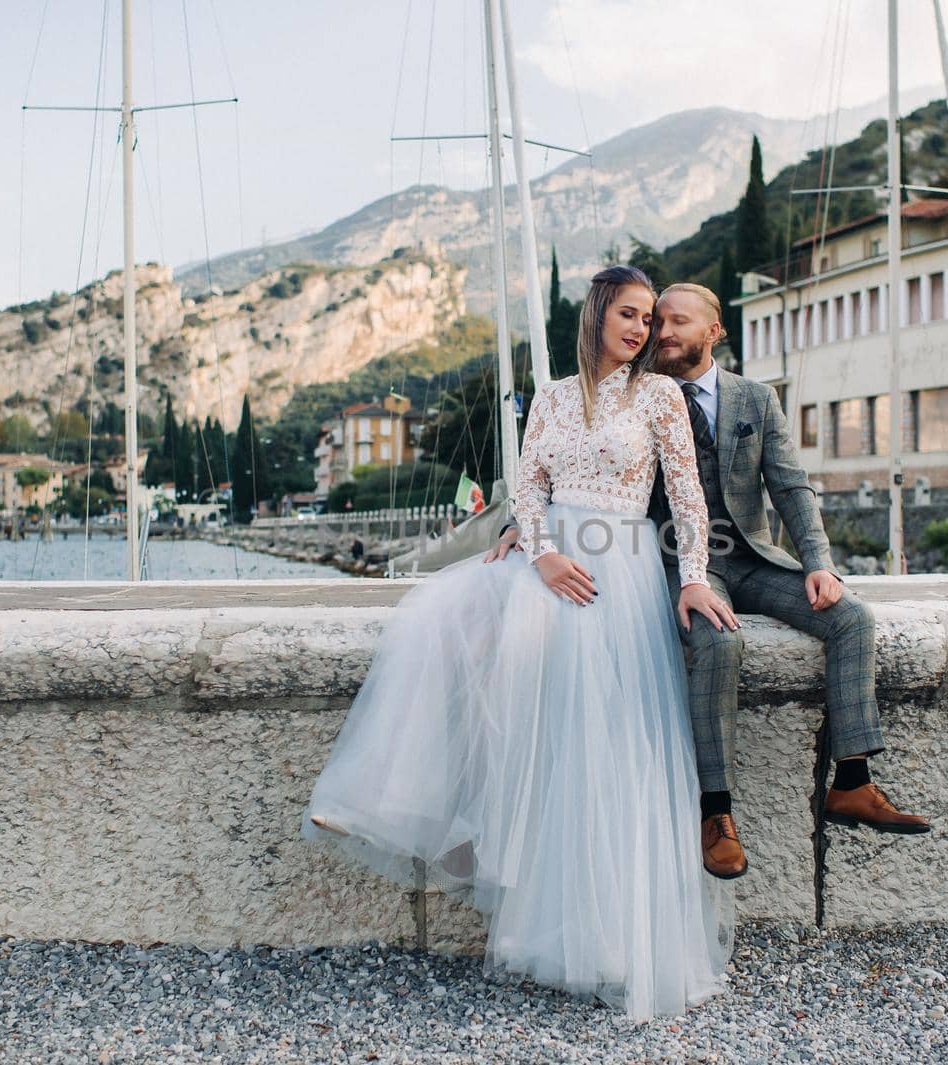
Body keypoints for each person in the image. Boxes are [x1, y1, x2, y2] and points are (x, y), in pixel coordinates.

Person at [302, 266, 735, 1019]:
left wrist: (693, 576)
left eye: (648, 318)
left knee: (610, 752)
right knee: (445, 630)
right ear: (597, 313)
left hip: (620, 572)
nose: (642, 330)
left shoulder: (660, 397)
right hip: (552, 563)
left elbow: (689, 497)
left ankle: (618, 942)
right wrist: (538, 550)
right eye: (629, 315)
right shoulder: (554, 397)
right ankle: (409, 808)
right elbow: (527, 484)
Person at [490, 283, 929, 883]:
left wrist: (818, 563)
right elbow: (574, 468)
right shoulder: (637, 395)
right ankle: (716, 814)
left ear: (714, 331)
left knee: (852, 617)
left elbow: (791, 486)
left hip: (748, 555)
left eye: (673, 322)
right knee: (720, 643)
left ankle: (852, 780)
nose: (659, 332)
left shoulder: (755, 398)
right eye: (652, 320)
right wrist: (525, 529)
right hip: (676, 562)